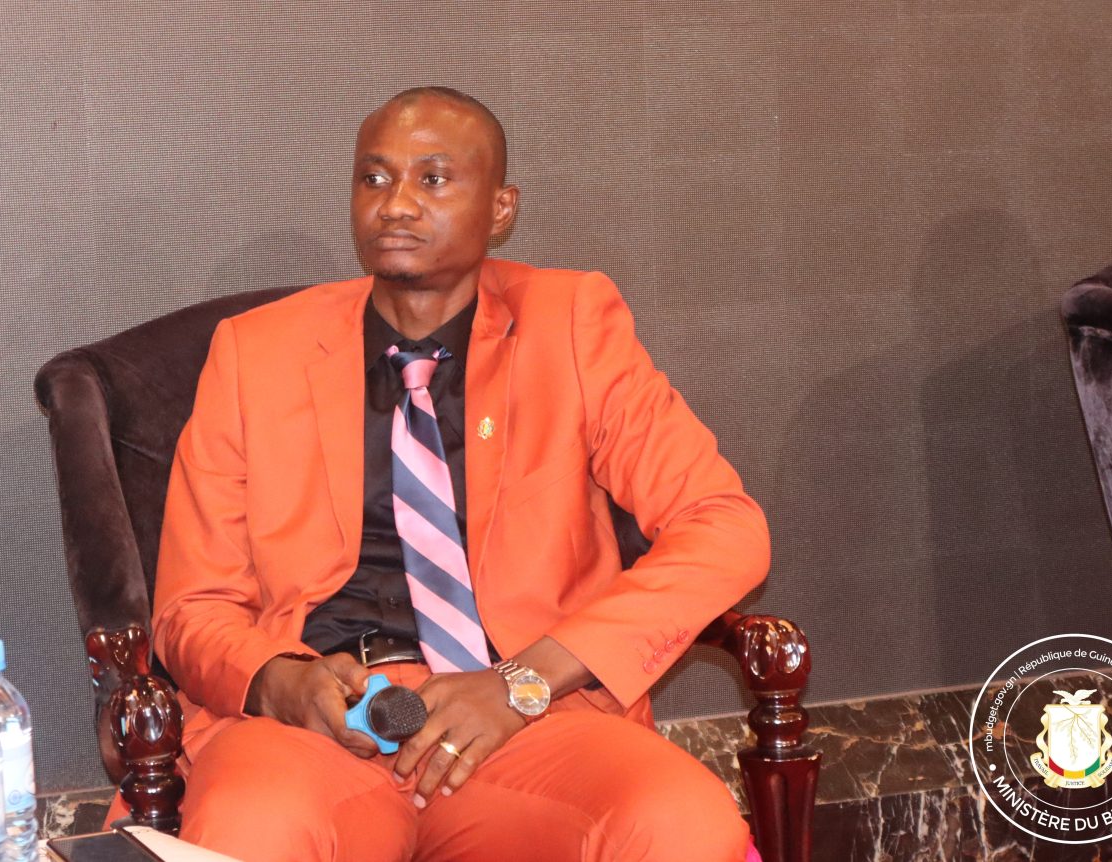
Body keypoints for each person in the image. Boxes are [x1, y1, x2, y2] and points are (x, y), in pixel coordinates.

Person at [141, 86, 770, 861]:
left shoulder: (571, 324)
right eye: (374, 178)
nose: (396, 204)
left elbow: (724, 526)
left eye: (433, 179)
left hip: (524, 721)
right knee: (253, 828)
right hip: (315, 735)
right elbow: (191, 605)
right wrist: (276, 680)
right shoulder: (255, 352)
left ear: (501, 208)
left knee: (679, 822)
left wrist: (524, 681)